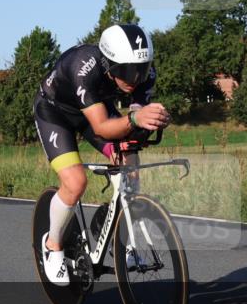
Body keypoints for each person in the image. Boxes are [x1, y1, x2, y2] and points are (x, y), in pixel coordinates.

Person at [33, 24, 171, 286]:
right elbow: (102, 127)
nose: (135, 78)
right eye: (127, 71)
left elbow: (134, 120)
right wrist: (136, 119)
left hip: (93, 109)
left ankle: (116, 228)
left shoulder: (144, 74)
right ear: (108, 64)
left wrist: (150, 120)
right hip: (55, 113)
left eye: (140, 70)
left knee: (129, 161)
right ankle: (52, 245)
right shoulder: (82, 67)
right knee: (75, 183)